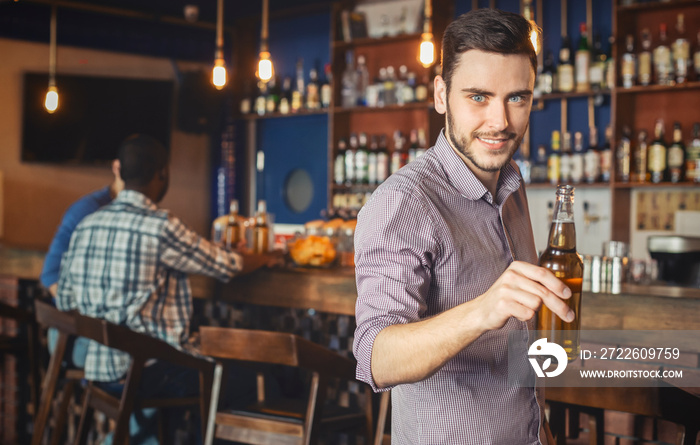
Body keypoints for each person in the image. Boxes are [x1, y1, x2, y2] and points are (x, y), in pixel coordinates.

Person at [353, 9, 572, 444]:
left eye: (517, 98)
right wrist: (483, 310)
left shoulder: (512, 184)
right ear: (441, 95)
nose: (500, 122)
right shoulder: (404, 201)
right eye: (478, 97)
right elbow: (376, 356)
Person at [56, 134, 279, 444]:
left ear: (119, 172)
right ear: (162, 173)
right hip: (140, 372)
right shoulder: (160, 226)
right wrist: (267, 256)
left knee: (189, 368)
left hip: (96, 370)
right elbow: (228, 265)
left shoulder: (87, 225)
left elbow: (65, 298)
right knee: (242, 380)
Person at [40, 159, 124, 367]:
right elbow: (50, 274)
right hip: (77, 340)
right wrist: (86, 320)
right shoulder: (89, 210)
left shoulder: (133, 215)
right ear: (116, 167)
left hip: (101, 337)